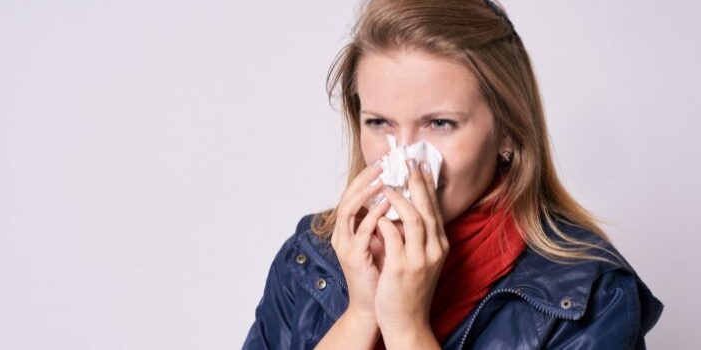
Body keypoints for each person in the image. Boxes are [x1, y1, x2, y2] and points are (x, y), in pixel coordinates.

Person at [242, 0, 664, 349]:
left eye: (439, 124)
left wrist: (406, 327)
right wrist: (364, 313)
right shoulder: (307, 260)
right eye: (379, 123)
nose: (405, 158)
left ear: (508, 134)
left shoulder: (592, 297)